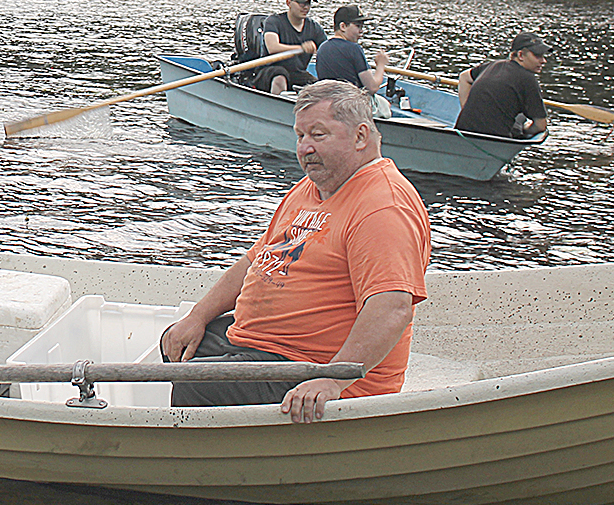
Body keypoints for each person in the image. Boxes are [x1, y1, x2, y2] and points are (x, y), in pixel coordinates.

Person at [160, 80, 431, 423]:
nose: (305, 148)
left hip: (317, 365)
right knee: (177, 345)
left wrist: (333, 378)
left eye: (318, 135)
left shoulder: (382, 207)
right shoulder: (312, 187)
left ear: (361, 136)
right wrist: (197, 317)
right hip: (266, 345)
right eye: (300, 136)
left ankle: (211, 469)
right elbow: (253, 261)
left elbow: (392, 309)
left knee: (199, 384)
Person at [454, 32, 549, 139]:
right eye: (537, 56)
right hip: (495, 139)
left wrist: (466, 109)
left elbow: (464, 77)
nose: (543, 61)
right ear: (521, 55)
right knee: (521, 117)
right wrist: (525, 130)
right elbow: (541, 125)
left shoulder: (493, 65)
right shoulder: (528, 79)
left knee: (519, 117)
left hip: (462, 130)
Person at [253, 0, 327, 94]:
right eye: (301, 3)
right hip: (270, 70)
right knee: (280, 77)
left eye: (308, 3)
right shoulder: (274, 21)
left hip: (297, 73)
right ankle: (276, 106)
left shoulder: (314, 27)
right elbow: (272, 47)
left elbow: (327, 48)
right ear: (289, 3)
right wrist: (301, 47)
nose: (306, 7)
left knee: (319, 88)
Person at [314, 5, 389, 93]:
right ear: (343, 26)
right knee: (385, 103)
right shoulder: (354, 49)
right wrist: (380, 64)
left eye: (362, 27)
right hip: (350, 102)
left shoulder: (323, 47)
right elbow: (372, 88)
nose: (361, 31)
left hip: (327, 98)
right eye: (358, 26)